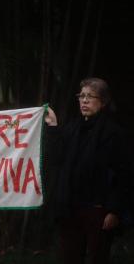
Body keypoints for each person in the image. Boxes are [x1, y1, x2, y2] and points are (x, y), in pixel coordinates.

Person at [45, 77, 132, 264]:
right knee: (68, 257)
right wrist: (53, 126)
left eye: (90, 96)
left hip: (98, 210)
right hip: (70, 208)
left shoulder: (114, 133)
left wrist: (114, 211)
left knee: (97, 258)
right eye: (81, 96)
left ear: (103, 101)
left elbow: (124, 174)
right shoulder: (72, 128)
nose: (84, 101)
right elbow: (56, 158)